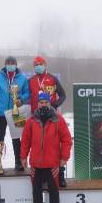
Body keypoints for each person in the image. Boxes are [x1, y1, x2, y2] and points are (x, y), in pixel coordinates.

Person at [21, 92, 72, 203]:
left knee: (54, 189)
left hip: (52, 163)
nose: (43, 105)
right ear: (37, 104)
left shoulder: (58, 119)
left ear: (50, 104)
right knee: (36, 189)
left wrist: (64, 157)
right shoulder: (31, 120)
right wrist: (23, 156)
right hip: (36, 163)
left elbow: (66, 139)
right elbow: (25, 140)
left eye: (46, 103)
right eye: (41, 102)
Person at [28, 55, 68, 187]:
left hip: (52, 117)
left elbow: (63, 95)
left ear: (45, 65)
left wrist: (55, 105)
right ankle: (43, 176)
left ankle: (60, 174)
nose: (38, 66)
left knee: (55, 145)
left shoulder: (52, 79)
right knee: (40, 145)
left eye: (40, 64)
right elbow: (25, 96)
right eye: (36, 65)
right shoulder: (31, 80)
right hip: (37, 117)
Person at [0, 56, 30, 171]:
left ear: (16, 64)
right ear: (5, 64)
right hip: (1, 113)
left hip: (17, 112)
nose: (10, 64)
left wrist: (21, 100)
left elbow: (27, 93)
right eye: (8, 63)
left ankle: (18, 161)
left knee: (17, 137)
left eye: (13, 63)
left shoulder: (23, 78)